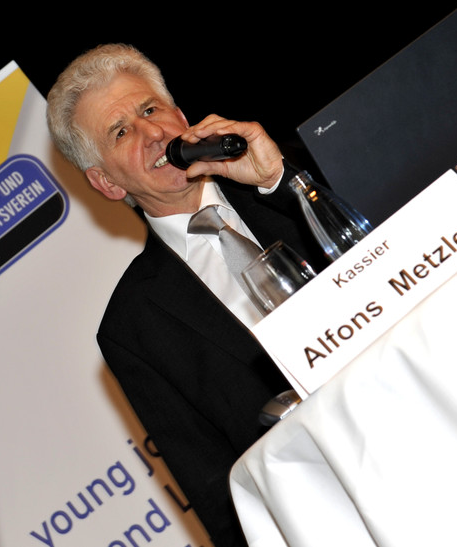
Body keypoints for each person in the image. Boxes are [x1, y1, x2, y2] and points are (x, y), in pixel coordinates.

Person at [46, 43, 323, 547]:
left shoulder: (290, 180)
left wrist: (278, 180)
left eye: (151, 110)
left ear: (181, 116)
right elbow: (220, 494)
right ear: (106, 182)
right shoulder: (133, 326)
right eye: (121, 132)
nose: (152, 134)